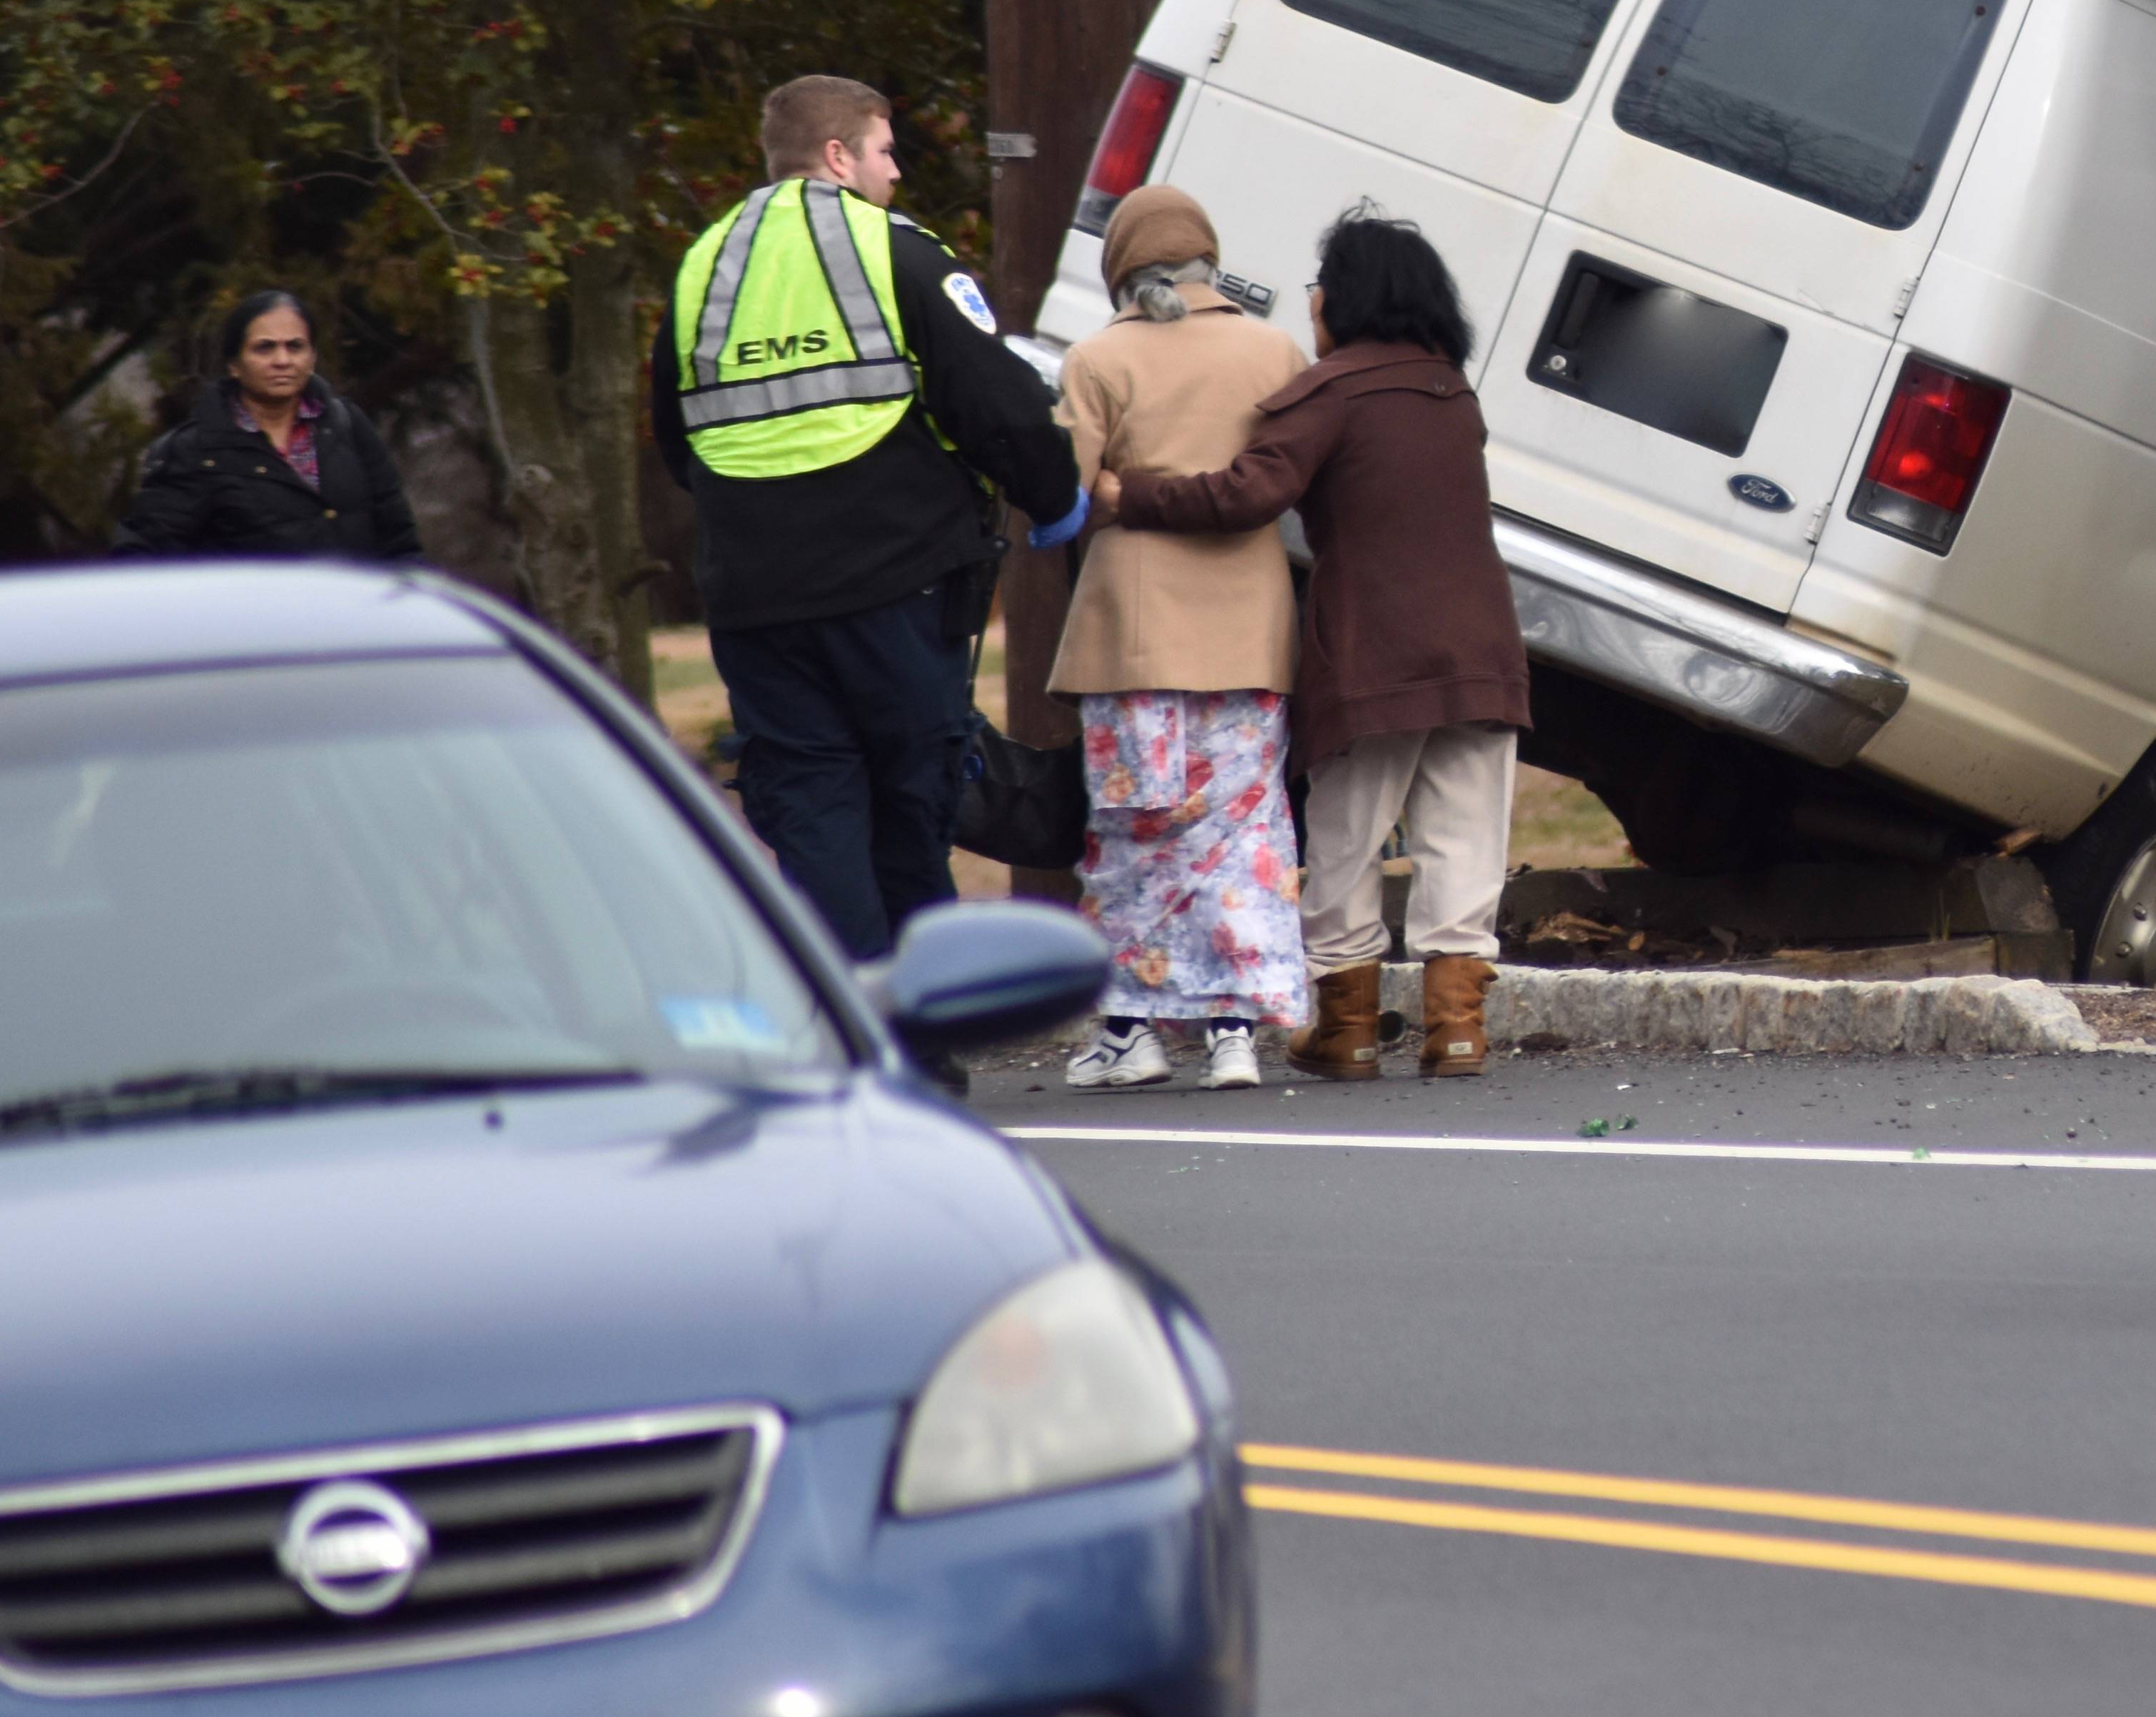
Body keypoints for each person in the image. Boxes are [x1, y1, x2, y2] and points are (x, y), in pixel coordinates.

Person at [655, 74, 1083, 967]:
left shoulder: (704, 266)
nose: (895, 173)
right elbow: (995, 403)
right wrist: (1055, 497)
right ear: (840, 155)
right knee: (911, 799)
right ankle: (923, 1033)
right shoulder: (898, 251)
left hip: (754, 600)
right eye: (887, 152)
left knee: (810, 810)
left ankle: (853, 1026)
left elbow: (676, 436)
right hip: (895, 587)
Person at [1102, 210, 1530, 1084]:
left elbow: (1247, 492)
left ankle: (1350, 1028)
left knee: (1345, 835)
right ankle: (1457, 1030)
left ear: (1344, 296)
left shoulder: (1332, 391)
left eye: (1319, 285)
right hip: (1483, 648)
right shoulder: (1453, 391)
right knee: (1465, 835)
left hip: (1376, 654)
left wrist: (1128, 493)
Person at [1049, 186, 1312, 1094]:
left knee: (1133, 832)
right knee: (1242, 833)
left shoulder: (1096, 358)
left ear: (1120, 269)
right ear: (1210, 260)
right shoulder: (1274, 349)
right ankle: (1235, 1032)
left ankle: (1131, 1032)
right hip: (1249, 630)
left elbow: (1065, 494)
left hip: (1134, 634)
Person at [113, 289, 426, 563]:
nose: (282, 360)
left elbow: (399, 541)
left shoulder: (345, 425)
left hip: (355, 625)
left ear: (312, 356)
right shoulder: (197, 450)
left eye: (295, 346)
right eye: (264, 347)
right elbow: (144, 558)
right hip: (256, 628)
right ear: (234, 364)